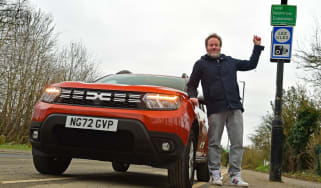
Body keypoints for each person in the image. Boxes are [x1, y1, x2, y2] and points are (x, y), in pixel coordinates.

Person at [187, 33, 264, 186]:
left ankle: (235, 176)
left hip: (235, 107)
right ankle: (215, 174)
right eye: (211, 45)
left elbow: (250, 65)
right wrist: (193, 96)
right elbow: (192, 84)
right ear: (207, 47)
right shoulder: (200, 64)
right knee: (214, 142)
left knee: (237, 143)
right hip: (215, 108)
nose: (214, 47)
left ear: (220, 46)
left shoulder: (230, 61)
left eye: (216, 44)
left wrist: (256, 47)